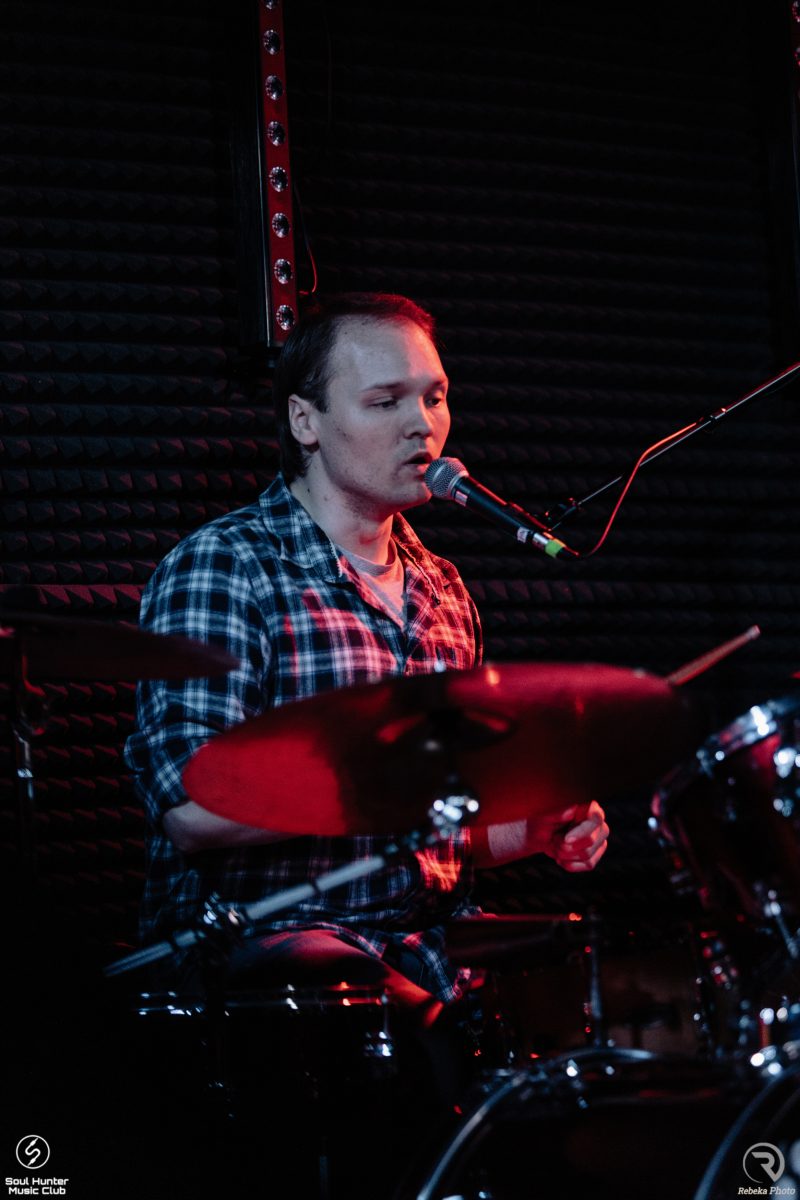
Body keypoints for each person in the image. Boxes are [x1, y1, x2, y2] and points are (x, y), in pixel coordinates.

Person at [125, 292, 608, 1015]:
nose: (423, 424)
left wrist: (531, 830)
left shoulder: (443, 588)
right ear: (306, 421)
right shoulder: (226, 567)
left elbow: (436, 832)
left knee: (609, 996)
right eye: (386, 402)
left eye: (434, 397)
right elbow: (191, 809)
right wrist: (382, 776)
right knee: (411, 1032)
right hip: (269, 945)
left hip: (426, 941)